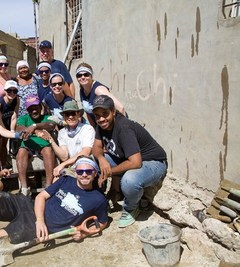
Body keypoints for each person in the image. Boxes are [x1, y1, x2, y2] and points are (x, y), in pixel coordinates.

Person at [0, 156, 108, 256]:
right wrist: (39, 219)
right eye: (80, 171)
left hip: (34, 229)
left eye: (88, 171)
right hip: (30, 206)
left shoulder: (98, 200)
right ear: (76, 172)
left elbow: (102, 222)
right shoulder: (66, 180)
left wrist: (84, 233)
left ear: (95, 173)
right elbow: (41, 196)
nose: (84, 175)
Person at [92, 95, 167, 228]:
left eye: (105, 114)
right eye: (97, 115)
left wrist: (109, 172)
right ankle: (113, 192)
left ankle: (132, 208)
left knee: (129, 180)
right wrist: (101, 159)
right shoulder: (102, 125)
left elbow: (136, 162)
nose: (101, 119)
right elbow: (96, 148)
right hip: (129, 159)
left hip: (153, 163)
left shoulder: (124, 128)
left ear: (113, 111)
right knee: (94, 161)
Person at [38, 101, 95, 178]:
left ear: (78, 114)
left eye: (73, 113)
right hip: (71, 169)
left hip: (86, 168)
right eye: (67, 114)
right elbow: (64, 156)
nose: (70, 117)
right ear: (64, 116)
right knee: (55, 183)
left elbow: (86, 152)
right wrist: (51, 140)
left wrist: (63, 164)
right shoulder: (62, 133)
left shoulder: (87, 129)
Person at [16, 94, 57, 196]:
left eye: (36, 108)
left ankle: (48, 186)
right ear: (27, 110)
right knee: (21, 152)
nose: (34, 111)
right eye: (31, 109)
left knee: (48, 150)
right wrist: (38, 132)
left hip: (43, 147)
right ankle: (24, 188)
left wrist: (34, 126)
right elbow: (20, 129)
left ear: (40, 107)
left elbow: (51, 125)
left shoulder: (47, 117)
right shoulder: (23, 118)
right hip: (28, 145)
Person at [76, 63, 126, 127]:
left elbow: (121, 108)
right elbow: (88, 112)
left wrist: (122, 129)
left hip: (114, 126)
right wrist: (94, 129)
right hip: (101, 127)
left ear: (91, 76)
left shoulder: (98, 90)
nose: (82, 77)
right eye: (79, 75)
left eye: (86, 74)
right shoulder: (82, 91)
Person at [0, 80, 20, 168]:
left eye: (15, 91)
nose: (12, 93)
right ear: (5, 91)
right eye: (9, 90)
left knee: (4, 146)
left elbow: (14, 115)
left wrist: (12, 131)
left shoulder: (16, 99)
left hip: (7, 123)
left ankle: (4, 165)